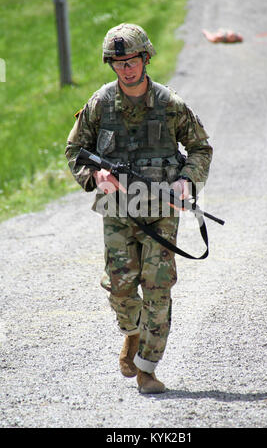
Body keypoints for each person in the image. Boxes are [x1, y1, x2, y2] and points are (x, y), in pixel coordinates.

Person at [65, 23, 212, 394]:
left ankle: (147, 368)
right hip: (117, 211)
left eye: (132, 60)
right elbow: (73, 151)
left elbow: (200, 149)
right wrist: (95, 176)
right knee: (120, 287)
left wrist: (186, 181)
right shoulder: (100, 104)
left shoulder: (170, 104)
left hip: (161, 210)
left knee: (158, 287)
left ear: (145, 58)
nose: (126, 69)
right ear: (111, 65)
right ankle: (132, 332)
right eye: (118, 63)